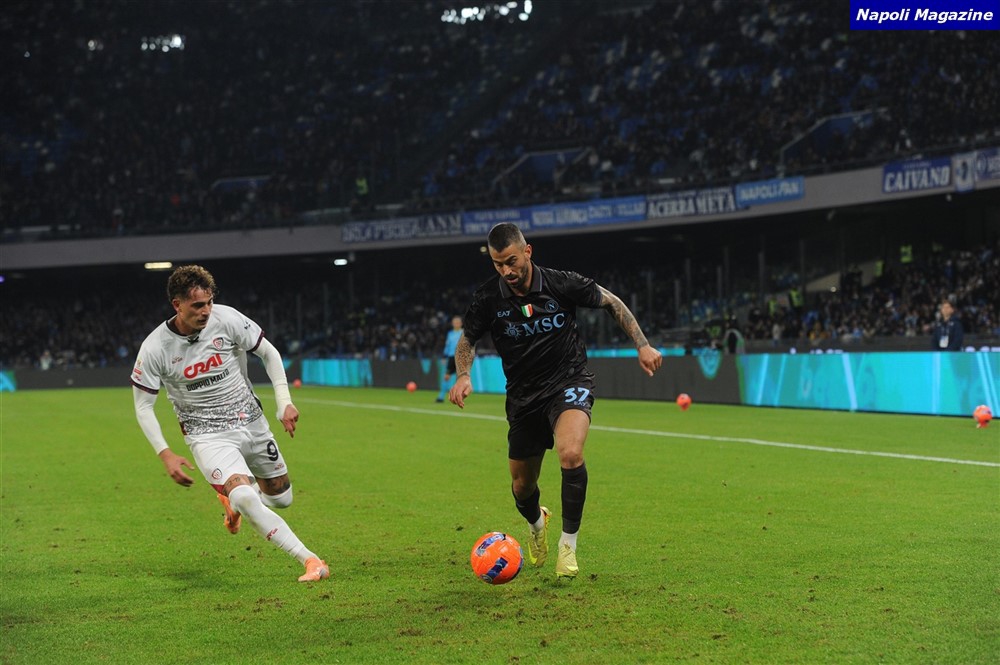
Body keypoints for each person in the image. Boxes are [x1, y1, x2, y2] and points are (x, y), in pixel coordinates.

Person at [448, 223, 662, 579]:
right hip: (523, 398)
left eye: (512, 261)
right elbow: (467, 340)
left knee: (571, 453)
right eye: (499, 264)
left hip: (569, 380)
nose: (506, 271)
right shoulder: (488, 298)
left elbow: (611, 302)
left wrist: (643, 344)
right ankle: (537, 524)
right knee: (522, 487)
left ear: (527, 252)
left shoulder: (562, 283)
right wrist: (463, 375)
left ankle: (568, 546)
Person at [130, 265, 328, 583]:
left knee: (281, 498)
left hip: (251, 421)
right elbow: (143, 407)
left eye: (209, 302)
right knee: (246, 496)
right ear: (177, 304)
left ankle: (232, 502)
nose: (206, 311)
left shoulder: (227, 319)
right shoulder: (155, 348)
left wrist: (284, 402)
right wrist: (165, 453)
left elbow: (269, 353)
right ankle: (310, 560)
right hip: (207, 435)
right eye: (197, 305)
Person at [435, 315, 464, 403]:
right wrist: (444, 356)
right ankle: (441, 396)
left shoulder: (464, 333)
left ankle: (459, 397)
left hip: (461, 357)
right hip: (451, 357)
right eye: (455, 322)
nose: (456, 324)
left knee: (460, 378)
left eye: (458, 322)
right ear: (452, 324)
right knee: (446, 377)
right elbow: (447, 346)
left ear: (461, 323)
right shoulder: (450, 334)